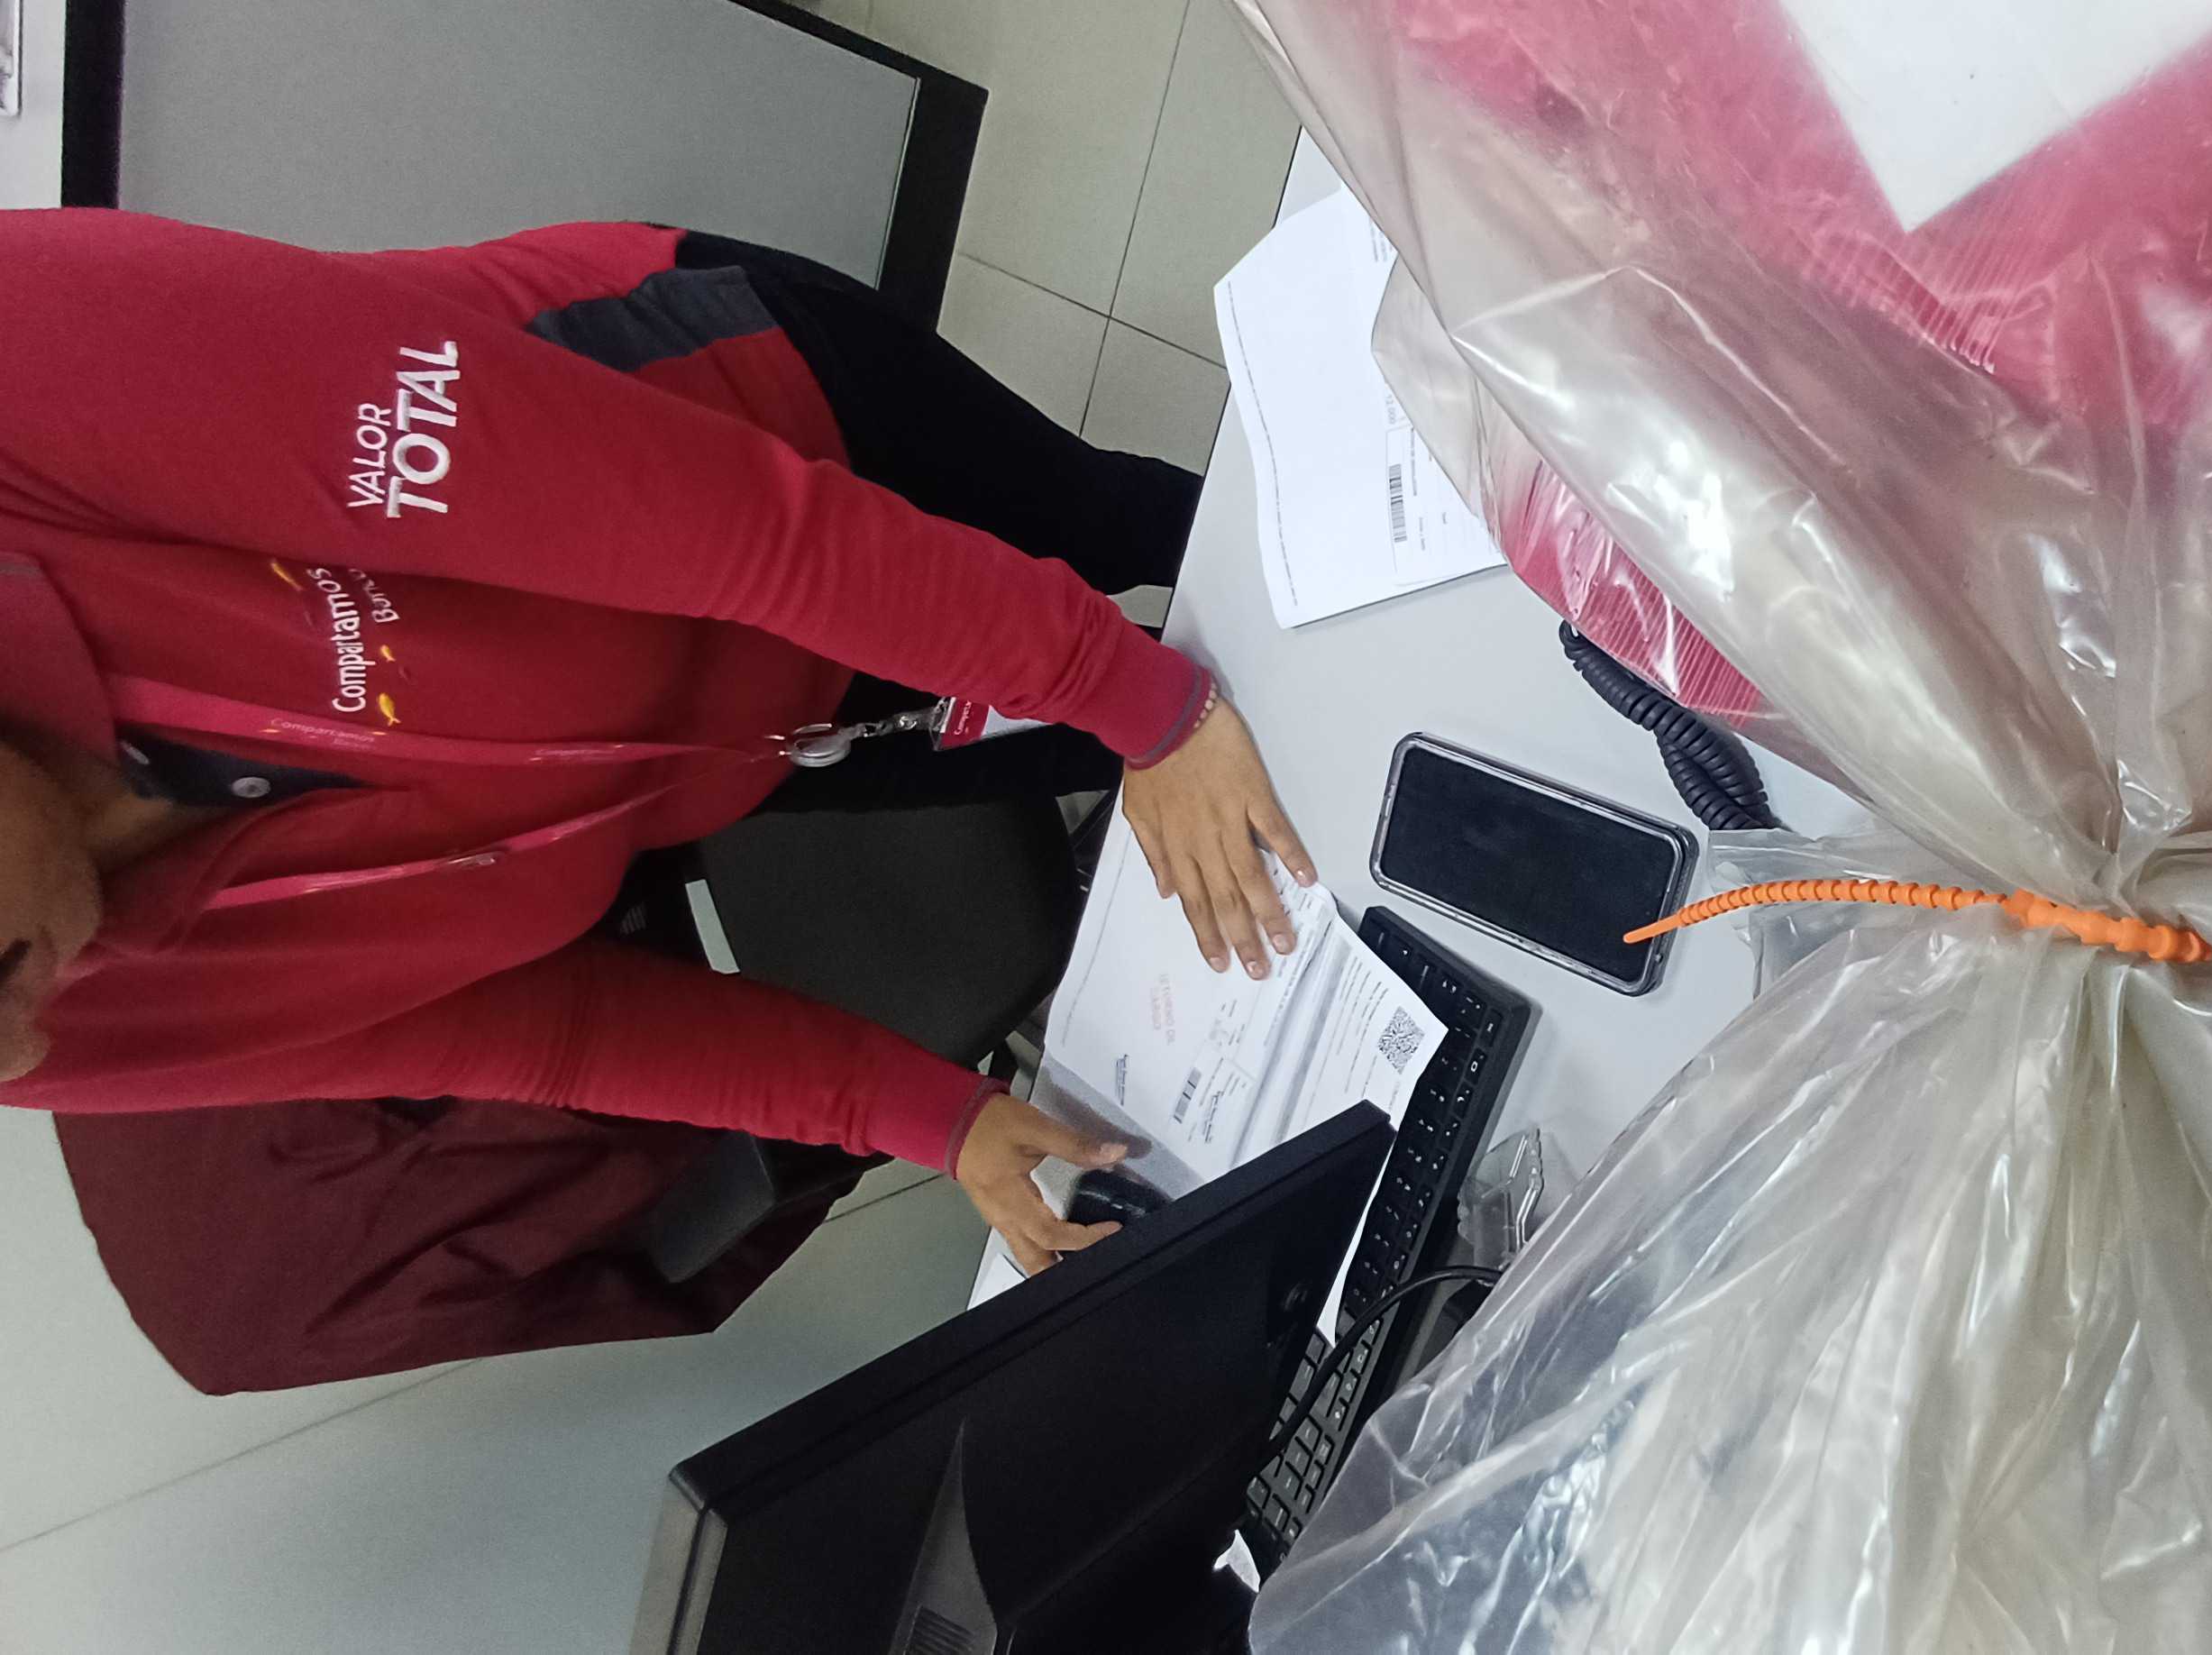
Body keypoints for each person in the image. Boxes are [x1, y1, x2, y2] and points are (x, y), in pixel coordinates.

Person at [0, 211, 1314, 1274]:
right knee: (1238, 755)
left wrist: (1136, 698)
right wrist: (930, 1116)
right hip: (753, 744)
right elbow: (546, 1034)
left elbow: (732, 524)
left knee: (1156, 536)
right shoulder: (45, 1021)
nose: (27, 1045)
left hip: (756, 424)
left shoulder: (27, 371)